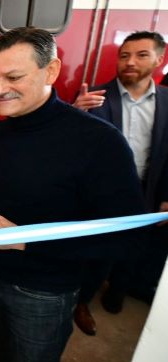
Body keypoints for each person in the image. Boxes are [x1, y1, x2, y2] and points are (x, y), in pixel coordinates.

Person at [0, 28, 145, 362]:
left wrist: (27, 242)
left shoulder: (99, 143)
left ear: (51, 71)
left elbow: (125, 239)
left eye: (13, 77)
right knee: (3, 361)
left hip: (44, 293)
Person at [73, 31, 168, 316]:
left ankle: (117, 294)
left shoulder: (167, 101)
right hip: (103, 196)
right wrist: (74, 112)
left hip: (147, 192)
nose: (130, 62)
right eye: (124, 55)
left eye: (141, 55)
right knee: (98, 253)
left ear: (159, 60)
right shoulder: (95, 99)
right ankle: (82, 303)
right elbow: (69, 150)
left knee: (135, 250)